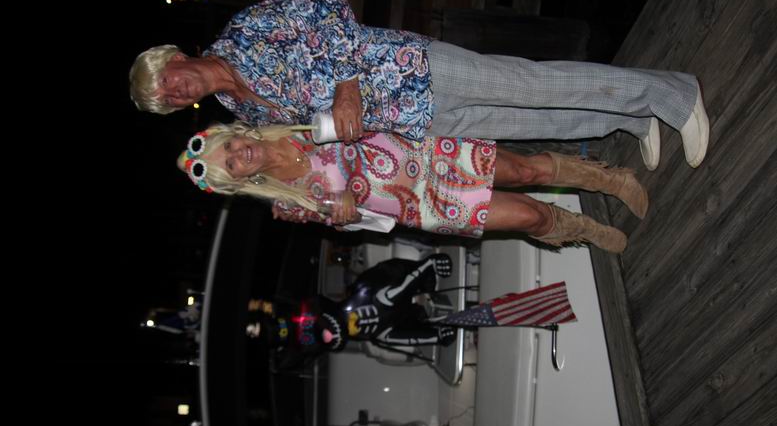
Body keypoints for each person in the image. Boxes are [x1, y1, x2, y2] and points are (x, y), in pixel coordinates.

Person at [131, 0, 709, 170]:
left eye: (168, 83)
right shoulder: (245, 115)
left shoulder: (244, 31)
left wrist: (348, 84)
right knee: (530, 121)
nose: (176, 94)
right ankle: (631, 118)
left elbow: (327, 5)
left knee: (536, 87)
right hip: (411, 122)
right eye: (168, 102)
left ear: (175, 58)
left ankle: (671, 94)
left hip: (410, 69)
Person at [177, 122, 649, 253]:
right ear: (236, 181)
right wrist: (348, 216)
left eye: (229, 147)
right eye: (229, 165)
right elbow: (360, 224)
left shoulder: (290, 120)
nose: (238, 156)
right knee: (530, 217)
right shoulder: (288, 203)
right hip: (420, 205)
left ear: (237, 134)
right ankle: (587, 231)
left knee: (525, 172)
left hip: (422, 153)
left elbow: (351, 104)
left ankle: (611, 179)